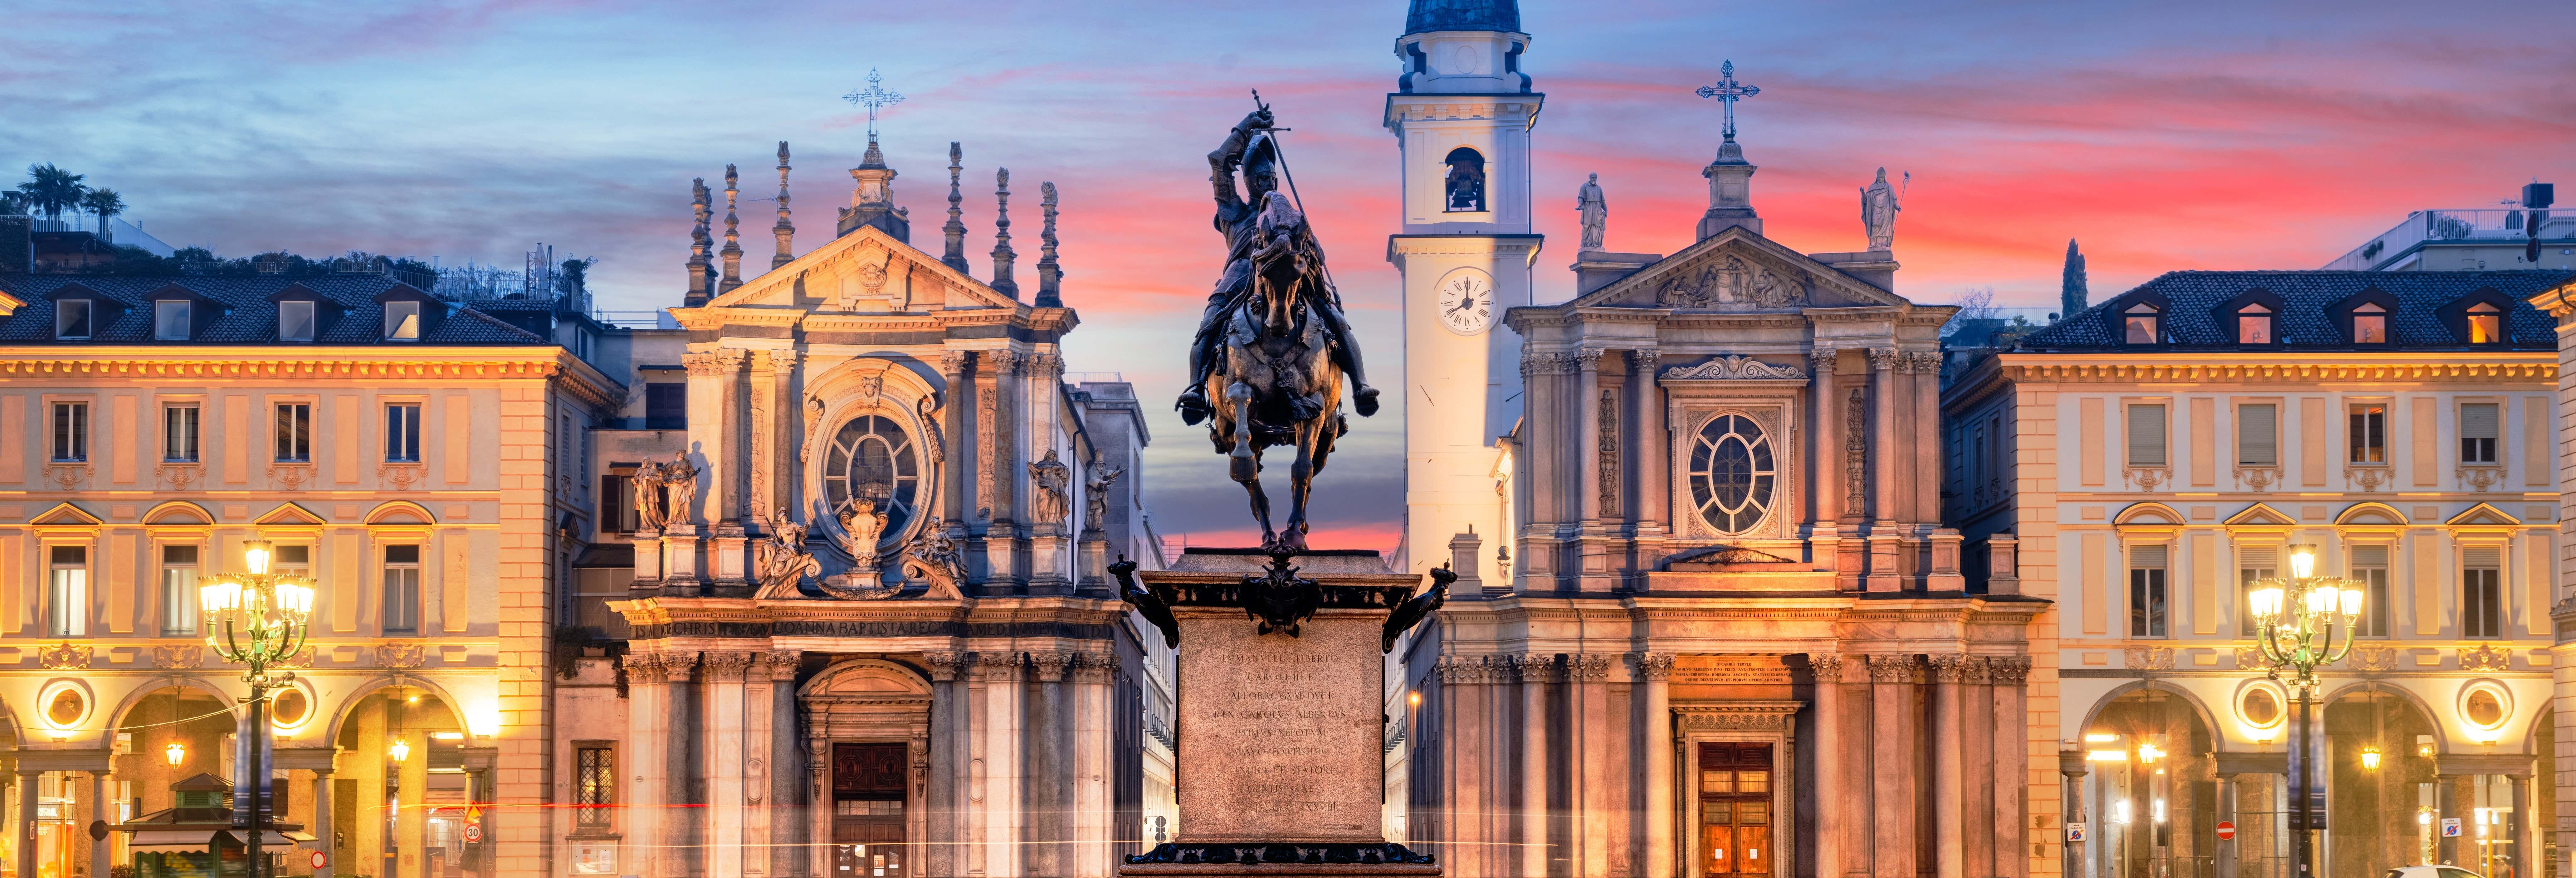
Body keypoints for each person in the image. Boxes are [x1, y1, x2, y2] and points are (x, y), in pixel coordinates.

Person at [1174, 108, 1378, 424]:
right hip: (1242, 274)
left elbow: (1316, 252)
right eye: (1261, 179)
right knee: (1211, 320)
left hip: (1291, 267)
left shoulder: (1288, 216)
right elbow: (1219, 161)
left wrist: (1308, 247)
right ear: (1250, 182)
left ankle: (1360, 384)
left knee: (1333, 315)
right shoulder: (1235, 213)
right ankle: (1196, 388)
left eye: (1271, 178)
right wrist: (1245, 128)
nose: (1268, 183)